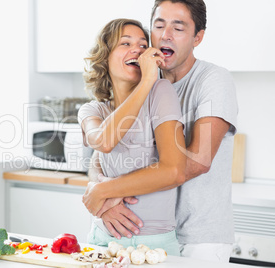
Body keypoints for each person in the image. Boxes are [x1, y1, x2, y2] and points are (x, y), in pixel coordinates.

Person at [82, 0, 238, 263]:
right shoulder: (145, 84)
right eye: (159, 25)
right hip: (138, 229)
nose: (165, 35)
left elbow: (196, 162)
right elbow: (102, 156)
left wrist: (108, 193)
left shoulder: (213, 80)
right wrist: (101, 192)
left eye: (178, 28)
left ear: (197, 37)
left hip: (198, 235)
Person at [77, 18, 186, 256]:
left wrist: (102, 193)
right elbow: (104, 143)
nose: (137, 49)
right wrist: (102, 200)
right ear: (105, 57)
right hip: (103, 240)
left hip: (155, 246)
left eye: (143, 44)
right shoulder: (93, 110)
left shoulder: (160, 92)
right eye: (125, 43)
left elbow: (174, 171)